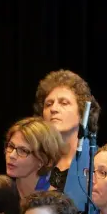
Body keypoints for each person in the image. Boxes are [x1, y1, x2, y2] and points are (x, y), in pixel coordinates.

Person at [35, 70, 100, 206]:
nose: (54, 109)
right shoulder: (36, 160)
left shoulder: (97, 162)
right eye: (48, 104)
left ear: (82, 113)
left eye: (64, 103)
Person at [3, 118, 62, 201]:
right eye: (11, 146)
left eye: (23, 151)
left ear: (43, 161)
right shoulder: (0, 192)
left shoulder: (54, 204)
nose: (12, 155)